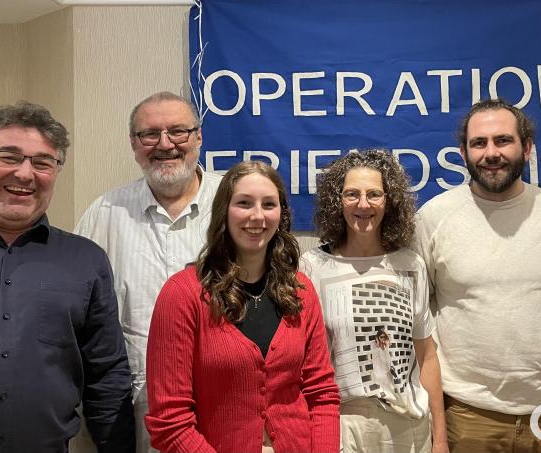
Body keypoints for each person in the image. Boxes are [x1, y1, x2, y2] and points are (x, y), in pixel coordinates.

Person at [0, 102, 135, 452]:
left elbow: (107, 378)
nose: (26, 174)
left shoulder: (85, 261)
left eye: (42, 162)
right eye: (9, 157)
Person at [414, 99, 541, 453]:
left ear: (526, 148)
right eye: (478, 143)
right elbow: (423, 312)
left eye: (503, 140)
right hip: (468, 416)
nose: (490, 153)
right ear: (463, 152)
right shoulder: (433, 219)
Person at [145, 160, 340, 453]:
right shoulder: (183, 294)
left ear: (281, 214)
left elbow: (321, 394)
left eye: (269, 204)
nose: (257, 216)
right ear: (224, 210)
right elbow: (169, 422)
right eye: (244, 203)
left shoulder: (301, 291)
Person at [74, 91, 222, 452]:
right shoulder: (104, 213)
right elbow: (78, 315)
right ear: (133, 144)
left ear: (199, 137)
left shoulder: (234, 204)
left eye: (178, 132)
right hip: (133, 413)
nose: (165, 144)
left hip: (223, 404)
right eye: (149, 134)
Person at [302, 150, 448, 453]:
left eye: (374, 194)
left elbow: (427, 356)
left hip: (408, 429)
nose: (363, 204)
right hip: (342, 426)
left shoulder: (411, 264)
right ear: (336, 201)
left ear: (389, 201)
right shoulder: (312, 266)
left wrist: (441, 439)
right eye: (352, 194)